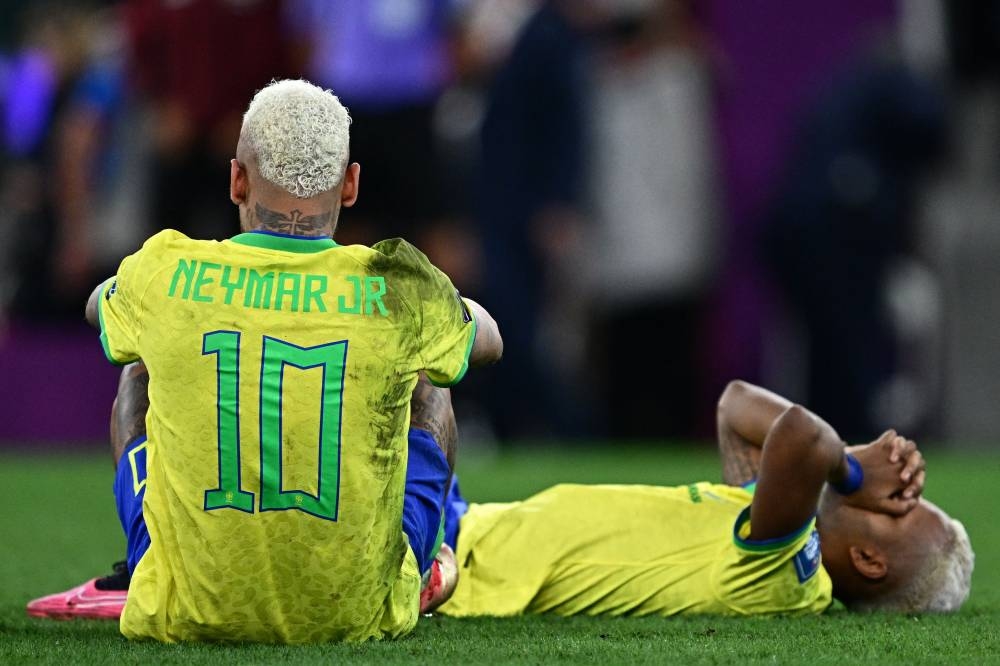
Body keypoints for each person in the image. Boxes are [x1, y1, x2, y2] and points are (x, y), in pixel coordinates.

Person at [26, 78, 503, 643]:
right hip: (355, 615)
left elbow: (92, 308)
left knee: (139, 367)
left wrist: (144, 288)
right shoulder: (397, 287)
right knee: (430, 376)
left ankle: (146, 563)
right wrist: (447, 302)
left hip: (186, 610)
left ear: (236, 180)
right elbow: (490, 341)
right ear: (349, 186)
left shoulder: (166, 270)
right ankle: (415, 563)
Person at [424, 380, 973, 616]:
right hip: (471, 522)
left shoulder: (789, 577)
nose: (888, 490)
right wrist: (849, 466)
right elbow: (736, 407)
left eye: (897, 504)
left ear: (869, 561)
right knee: (417, 363)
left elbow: (802, 436)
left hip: (463, 567)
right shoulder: (768, 517)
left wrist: (854, 473)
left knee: (416, 364)